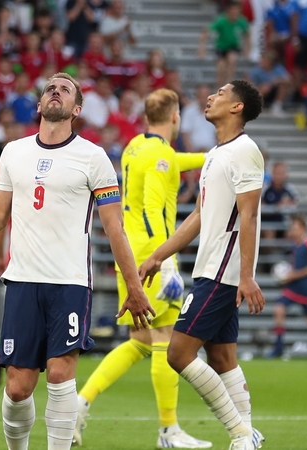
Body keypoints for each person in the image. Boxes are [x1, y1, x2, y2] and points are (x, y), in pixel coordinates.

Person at [0, 73, 155, 450]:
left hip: (69, 282)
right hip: (23, 281)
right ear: (41, 104)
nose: (54, 91)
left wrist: (134, 287)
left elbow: (115, 229)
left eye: (64, 89)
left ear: (76, 109)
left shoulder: (94, 158)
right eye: (49, 88)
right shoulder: (13, 152)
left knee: (60, 375)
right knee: (17, 387)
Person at [74, 89, 211, 449]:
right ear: (176, 117)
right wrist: (164, 263)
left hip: (130, 255)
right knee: (167, 341)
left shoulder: (137, 146)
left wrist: (210, 158)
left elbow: (170, 159)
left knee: (139, 341)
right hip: (152, 257)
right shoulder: (160, 154)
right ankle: (168, 430)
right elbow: (153, 209)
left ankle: (79, 403)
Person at [139, 80, 267, 450]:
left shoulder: (245, 151)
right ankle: (248, 434)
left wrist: (246, 276)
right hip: (210, 268)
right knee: (222, 356)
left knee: (178, 353)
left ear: (236, 108)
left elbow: (250, 216)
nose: (210, 97)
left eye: (221, 94)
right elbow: (198, 215)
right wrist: (159, 254)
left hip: (222, 274)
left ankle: (242, 434)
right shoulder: (216, 153)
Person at [269, 214, 307, 358]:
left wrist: (293, 274)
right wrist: (287, 276)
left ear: (303, 229)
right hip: (293, 287)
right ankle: (278, 345)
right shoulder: (295, 245)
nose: (293, 230)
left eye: (296, 228)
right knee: (279, 308)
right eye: (292, 228)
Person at [198, 2, 251, 89]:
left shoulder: (241, 21)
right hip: (221, 47)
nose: (234, 13)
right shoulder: (222, 20)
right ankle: (220, 86)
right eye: (233, 10)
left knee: (232, 59)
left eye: (236, 10)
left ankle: (230, 84)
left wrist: (247, 50)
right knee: (221, 68)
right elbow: (209, 30)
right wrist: (202, 47)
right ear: (229, 10)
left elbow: (247, 35)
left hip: (233, 47)